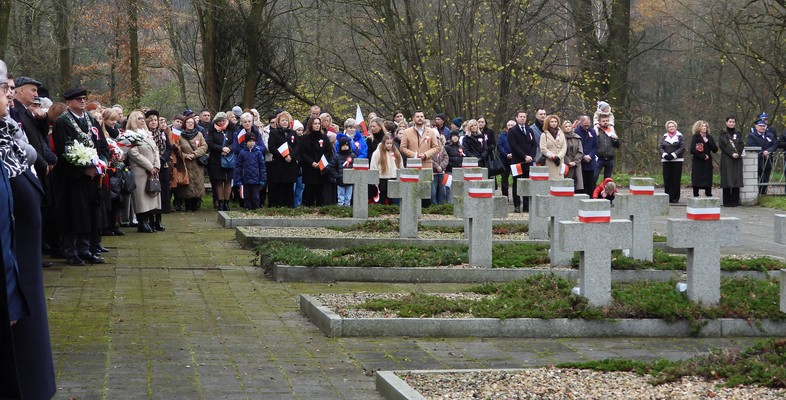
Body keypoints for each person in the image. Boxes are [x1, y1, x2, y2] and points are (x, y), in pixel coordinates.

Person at [0, 61, 56, 399]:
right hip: (11, 282)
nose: (9, 95)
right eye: (4, 88)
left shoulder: (10, 138)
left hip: (23, 280)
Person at [51, 87, 105, 265]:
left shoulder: (91, 119)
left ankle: (86, 248)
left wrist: (101, 162)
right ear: (69, 102)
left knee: (90, 212)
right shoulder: (62, 122)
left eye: (84, 98)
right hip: (71, 177)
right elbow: (63, 150)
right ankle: (71, 250)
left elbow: (102, 144)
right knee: (72, 212)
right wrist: (82, 169)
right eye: (78, 99)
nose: (82, 101)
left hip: (93, 176)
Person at [125, 110, 162, 233]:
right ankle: (142, 222)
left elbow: (156, 150)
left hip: (153, 170)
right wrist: (149, 166)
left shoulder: (146, 133)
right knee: (141, 198)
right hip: (140, 170)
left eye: (142, 118)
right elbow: (134, 154)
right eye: (139, 118)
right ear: (133, 120)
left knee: (150, 196)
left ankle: (149, 222)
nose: (142, 120)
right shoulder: (130, 134)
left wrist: (156, 165)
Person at [174, 116, 208, 211]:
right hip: (185, 164)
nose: (190, 124)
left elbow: (204, 147)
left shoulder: (199, 134)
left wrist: (194, 154)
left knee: (198, 184)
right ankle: (187, 205)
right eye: (188, 122)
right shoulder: (179, 135)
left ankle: (196, 204)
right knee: (187, 185)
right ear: (185, 124)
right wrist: (185, 155)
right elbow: (176, 148)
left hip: (197, 163)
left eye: (192, 123)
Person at [298, 116, 332, 206]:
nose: (317, 126)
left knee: (320, 189)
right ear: (311, 125)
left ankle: (320, 207)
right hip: (309, 167)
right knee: (310, 189)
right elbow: (302, 152)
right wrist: (311, 162)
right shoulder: (305, 138)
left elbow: (328, 151)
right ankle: (309, 206)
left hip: (321, 167)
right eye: (315, 124)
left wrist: (322, 162)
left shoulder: (324, 137)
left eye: (318, 124)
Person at [267, 111, 299, 208]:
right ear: (278, 122)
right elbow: (271, 147)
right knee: (279, 185)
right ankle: (279, 204)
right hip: (279, 162)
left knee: (289, 185)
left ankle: (289, 205)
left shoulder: (293, 133)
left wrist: (291, 156)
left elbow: (297, 146)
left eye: (286, 120)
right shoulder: (274, 133)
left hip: (290, 163)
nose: (285, 122)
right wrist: (283, 156)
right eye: (283, 120)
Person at [204, 112, 235, 211]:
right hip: (216, 159)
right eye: (219, 121)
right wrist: (221, 149)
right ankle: (220, 202)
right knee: (219, 181)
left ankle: (227, 202)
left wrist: (229, 148)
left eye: (223, 120)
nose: (222, 123)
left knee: (228, 181)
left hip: (230, 158)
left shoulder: (232, 129)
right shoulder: (212, 130)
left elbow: (236, 142)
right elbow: (209, 143)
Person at [145, 110, 172, 218]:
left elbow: (169, 148)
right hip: (150, 166)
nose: (154, 122)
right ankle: (151, 215)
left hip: (162, 165)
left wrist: (162, 160)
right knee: (151, 190)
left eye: (155, 120)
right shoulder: (145, 134)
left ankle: (160, 215)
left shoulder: (162, 133)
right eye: (151, 120)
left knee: (163, 189)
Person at [508, 110, 537, 213]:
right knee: (516, 183)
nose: (522, 118)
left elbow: (534, 144)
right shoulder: (512, 130)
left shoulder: (529, 130)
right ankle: (516, 205)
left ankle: (526, 205)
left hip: (528, 162)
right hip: (517, 161)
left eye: (524, 117)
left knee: (526, 183)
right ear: (516, 118)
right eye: (520, 117)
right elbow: (513, 145)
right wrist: (524, 156)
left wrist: (531, 156)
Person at [235, 132, 266, 210]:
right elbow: (238, 167)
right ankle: (247, 208)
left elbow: (262, 167)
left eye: (253, 141)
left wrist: (263, 179)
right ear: (246, 142)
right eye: (249, 141)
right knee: (247, 196)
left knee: (255, 196)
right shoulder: (242, 153)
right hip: (245, 179)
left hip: (256, 179)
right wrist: (238, 179)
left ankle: (256, 208)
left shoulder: (258, 153)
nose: (252, 143)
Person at [719, 116, 744, 207]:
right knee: (727, 179)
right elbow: (722, 145)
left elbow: (741, 144)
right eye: (730, 122)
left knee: (736, 179)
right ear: (726, 122)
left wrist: (738, 153)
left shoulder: (738, 133)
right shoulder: (722, 133)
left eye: (733, 122)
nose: (731, 123)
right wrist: (731, 153)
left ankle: (735, 201)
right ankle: (727, 201)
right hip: (726, 158)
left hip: (737, 159)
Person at [370, 134, 402, 205]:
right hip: (382, 178)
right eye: (387, 143)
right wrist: (374, 179)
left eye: (391, 143)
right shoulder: (377, 152)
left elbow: (400, 164)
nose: (389, 145)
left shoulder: (396, 152)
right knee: (382, 196)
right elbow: (373, 166)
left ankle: (392, 210)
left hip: (393, 177)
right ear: (384, 143)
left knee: (392, 197)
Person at [747, 119, 777, 195]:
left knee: (766, 177)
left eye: (764, 126)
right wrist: (762, 152)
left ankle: (763, 193)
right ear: (756, 127)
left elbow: (774, 145)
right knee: (757, 177)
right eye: (760, 126)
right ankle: (755, 194)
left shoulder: (770, 135)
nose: (762, 127)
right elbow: (751, 145)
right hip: (757, 160)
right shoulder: (752, 135)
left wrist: (768, 151)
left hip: (768, 160)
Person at [689, 120, 718, 197]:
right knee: (697, 179)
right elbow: (692, 150)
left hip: (707, 163)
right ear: (698, 127)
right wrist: (702, 156)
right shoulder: (695, 137)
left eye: (705, 126)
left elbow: (715, 149)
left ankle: (708, 195)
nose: (704, 127)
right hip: (698, 161)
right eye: (702, 126)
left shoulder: (709, 137)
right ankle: (695, 195)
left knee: (708, 179)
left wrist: (708, 142)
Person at [659, 120, 686, 204]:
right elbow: (660, 147)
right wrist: (664, 155)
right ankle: (667, 197)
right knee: (667, 179)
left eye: (672, 126)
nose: (671, 128)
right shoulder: (664, 137)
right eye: (669, 127)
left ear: (675, 127)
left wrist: (674, 155)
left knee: (676, 179)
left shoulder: (680, 136)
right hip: (666, 160)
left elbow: (682, 147)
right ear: (667, 128)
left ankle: (675, 198)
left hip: (677, 160)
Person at [594, 114, 619, 187]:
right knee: (594, 177)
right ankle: (592, 193)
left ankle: (606, 194)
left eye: (607, 121)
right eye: (603, 121)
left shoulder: (611, 131)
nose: (605, 122)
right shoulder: (596, 131)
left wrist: (616, 139)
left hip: (610, 158)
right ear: (599, 122)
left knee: (607, 179)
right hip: (599, 158)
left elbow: (617, 145)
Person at [575, 115, 598, 197]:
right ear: (580, 123)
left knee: (591, 183)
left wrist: (590, 156)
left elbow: (595, 146)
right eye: (585, 125)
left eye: (588, 125)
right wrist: (583, 156)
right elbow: (576, 147)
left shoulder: (592, 131)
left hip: (590, 162)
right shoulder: (576, 131)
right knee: (582, 183)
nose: (587, 127)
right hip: (581, 161)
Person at [328, 136, 355, 206]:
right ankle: (340, 209)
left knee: (348, 197)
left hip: (350, 180)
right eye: (343, 145)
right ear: (340, 146)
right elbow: (331, 167)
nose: (345, 147)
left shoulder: (352, 156)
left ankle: (347, 207)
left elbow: (356, 166)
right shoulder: (337, 156)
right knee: (341, 196)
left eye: (347, 145)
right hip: (340, 180)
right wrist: (337, 176)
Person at [539, 114, 567, 179]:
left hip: (560, 160)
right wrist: (553, 157)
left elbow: (564, 147)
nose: (554, 123)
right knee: (551, 180)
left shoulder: (561, 134)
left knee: (560, 180)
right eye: (552, 122)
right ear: (548, 123)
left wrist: (559, 157)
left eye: (555, 121)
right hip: (550, 161)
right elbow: (543, 149)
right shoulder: (544, 135)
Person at [563, 119, 584, 192]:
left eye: (569, 126)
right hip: (566, 164)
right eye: (566, 126)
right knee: (566, 184)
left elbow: (580, 151)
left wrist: (575, 161)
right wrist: (568, 161)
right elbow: (562, 151)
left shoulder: (577, 137)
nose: (568, 127)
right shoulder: (561, 138)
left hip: (576, 164)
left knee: (577, 183)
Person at [496, 120, 515, 199]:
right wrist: (506, 154)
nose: (510, 126)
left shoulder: (517, 135)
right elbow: (499, 146)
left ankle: (515, 197)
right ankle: (505, 196)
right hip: (504, 160)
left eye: (512, 125)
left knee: (516, 178)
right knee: (504, 178)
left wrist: (514, 154)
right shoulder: (502, 135)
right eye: (509, 125)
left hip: (515, 160)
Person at [430, 134, 449, 204]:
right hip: (433, 173)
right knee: (433, 191)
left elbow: (446, 158)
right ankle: (434, 205)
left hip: (441, 173)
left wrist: (441, 166)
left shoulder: (442, 149)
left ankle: (442, 205)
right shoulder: (430, 150)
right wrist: (436, 166)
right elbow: (430, 160)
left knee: (442, 190)